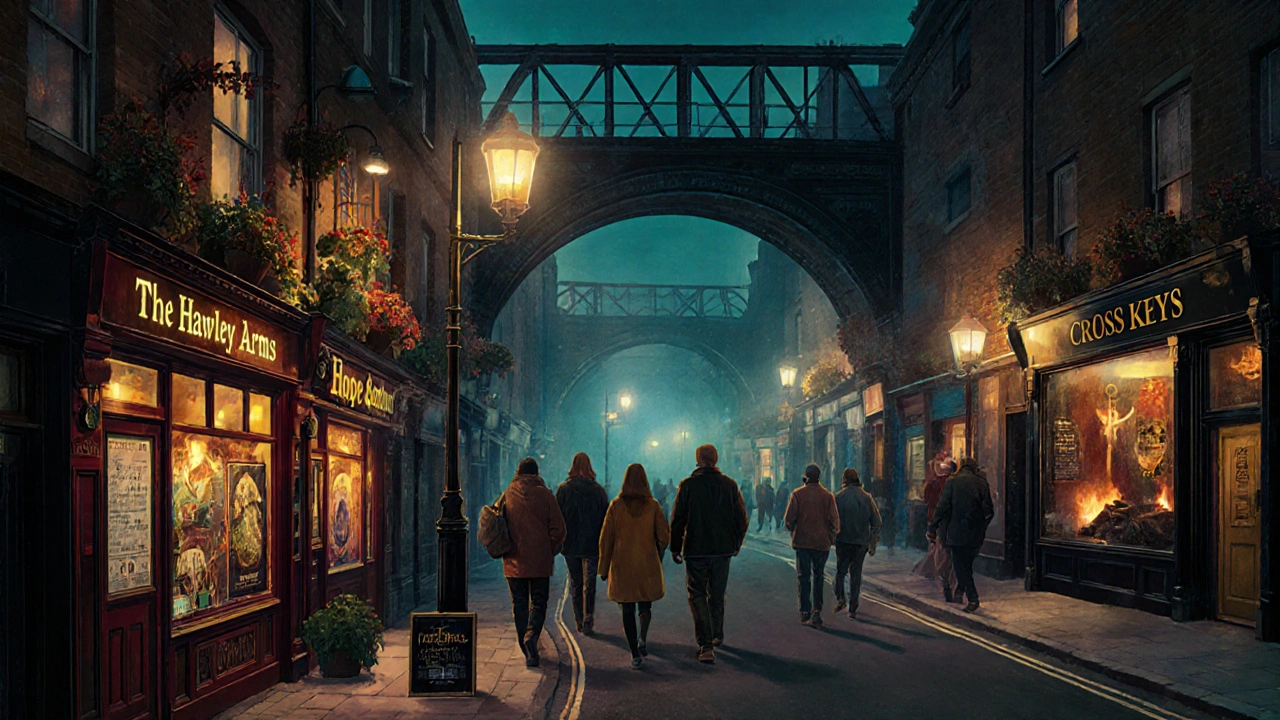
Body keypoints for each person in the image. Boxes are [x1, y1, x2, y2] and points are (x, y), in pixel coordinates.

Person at [670, 444, 749, 664]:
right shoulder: (729, 485)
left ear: (698, 460)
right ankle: (717, 634)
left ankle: (705, 645)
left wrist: (675, 546)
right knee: (717, 593)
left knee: (697, 594)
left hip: (696, 549)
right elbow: (741, 519)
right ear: (716, 459)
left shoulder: (687, 486)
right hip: (722, 549)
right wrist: (736, 543)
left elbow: (678, 520)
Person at [598, 463, 671, 669]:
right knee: (645, 604)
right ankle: (643, 638)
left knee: (627, 607)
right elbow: (664, 536)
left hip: (622, 565)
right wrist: (658, 553)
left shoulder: (616, 506)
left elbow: (606, 540)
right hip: (647, 562)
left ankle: (634, 653)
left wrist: (603, 568)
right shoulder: (653, 505)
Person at [501, 457, 567, 666]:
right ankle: (532, 637)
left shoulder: (507, 494)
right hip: (540, 561)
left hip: (513, 561)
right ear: (537, 473)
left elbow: (497, 524)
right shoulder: (546, 495)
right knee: (539, 603)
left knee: (519, 604)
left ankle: (526, 649)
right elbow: (559, 529)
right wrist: (550, 550)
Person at [927, 457, 994, 613]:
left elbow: (942, 506)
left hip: (956, 532)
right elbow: (989, 511)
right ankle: (961, 593)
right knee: (967, 566)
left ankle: (972, 598)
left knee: (960, 567)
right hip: (975, 534)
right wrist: (981, 526)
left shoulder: (952, 482)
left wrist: (933, 525)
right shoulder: (982, 484)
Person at [556, 452, 609, 635]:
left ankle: (579, 620)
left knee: (576, 583)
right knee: (590, 584)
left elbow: (557, 518)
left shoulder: (563, 490)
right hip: (592, 544)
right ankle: (588, 618)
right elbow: (605, 519)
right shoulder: (599, 490)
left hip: (570, 544)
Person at [783, 464, 840, 627]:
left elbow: (788, 519)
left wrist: (794, 531)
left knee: (804, 577)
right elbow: (835, 521)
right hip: (821, 543)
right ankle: (817, 610)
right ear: (819, 477)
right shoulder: (828, 496)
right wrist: (830, 537)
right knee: (819, 577)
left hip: (802, 542)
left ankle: (804, 611)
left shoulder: (797, 494)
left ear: (805, 477)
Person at [833, 468, 881, 619]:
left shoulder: (838, 497)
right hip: (861, 542)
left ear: (844, 480)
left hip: (843, 541)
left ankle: (841, 597)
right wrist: (872, 540)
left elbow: (832, 520)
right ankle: (853, 607)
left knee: (841, 572)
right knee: (856, 574)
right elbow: (877, 522)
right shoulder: (867, 498)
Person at [914, 456, 960, 602]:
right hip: (955, 524)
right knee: (952, 556)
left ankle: (939, 577)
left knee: (938, 552)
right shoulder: (956, 484)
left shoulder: (933, 484)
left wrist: (932, 526)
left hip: (936, 521)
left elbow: (926, 499)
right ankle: (952, 585)